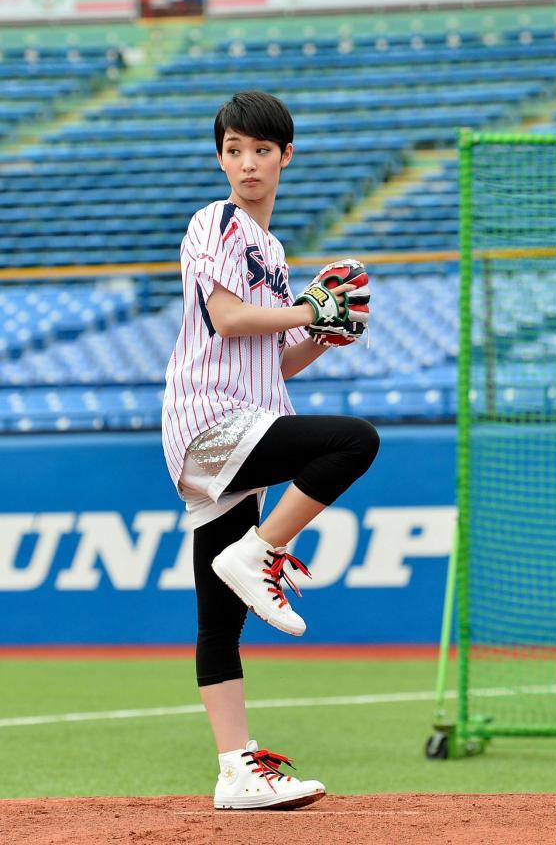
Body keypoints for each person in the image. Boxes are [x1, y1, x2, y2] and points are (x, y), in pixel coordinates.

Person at [161, 90, 380, 810]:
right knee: (353, 440)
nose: (247, 163)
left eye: (261, 150)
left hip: (240, 424)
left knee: (218, 615)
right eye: (234, 150)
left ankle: (235, 772)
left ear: (286, 156)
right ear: (220, 157)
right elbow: (226, 321)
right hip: (212, 424)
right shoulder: (217, 220)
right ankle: (261, 552)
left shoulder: (273, 250)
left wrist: (323, 332)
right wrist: (309, 308)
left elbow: (273, 361)